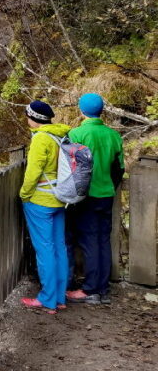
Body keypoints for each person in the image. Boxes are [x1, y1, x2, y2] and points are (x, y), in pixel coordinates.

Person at [66, 93, 124, 306]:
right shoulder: (114, 136)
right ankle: (103, 289)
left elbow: (70, 168)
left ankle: (90, 290)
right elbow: (119, 168)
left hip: (86, 196)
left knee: (89, 241)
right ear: (101, 110)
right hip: (106, 194)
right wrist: (108, 186)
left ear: (81, 110)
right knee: (102, 240)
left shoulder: (76, 134)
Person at [19, 100, 72, 314]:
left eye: (27, 116)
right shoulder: (61, 134)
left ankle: (48, 300)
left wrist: (24, 194)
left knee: (45, 249)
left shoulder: (41, 139)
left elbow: (33, 172)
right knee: (59, 247)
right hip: (60, 199)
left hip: (40, 201)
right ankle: (59, 296)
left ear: (34, 118)